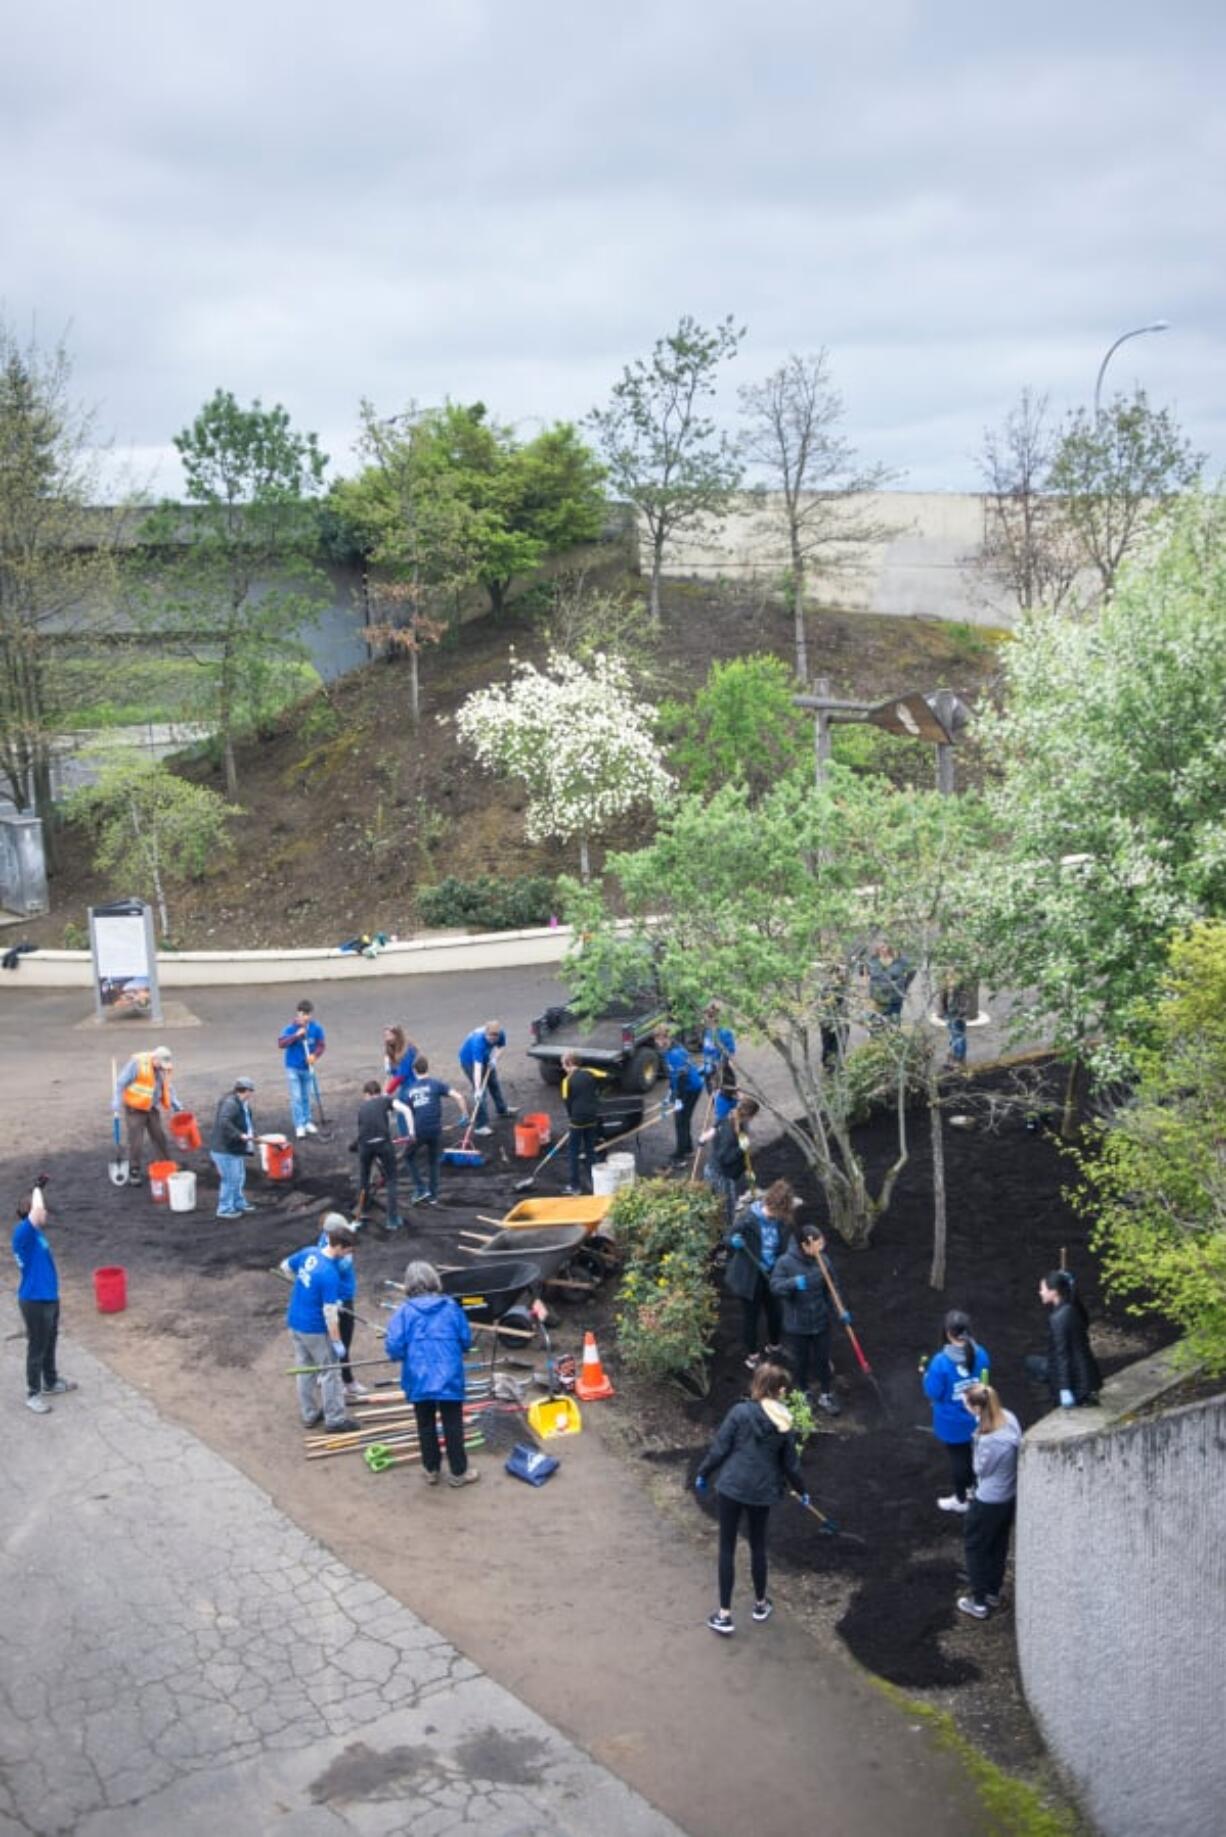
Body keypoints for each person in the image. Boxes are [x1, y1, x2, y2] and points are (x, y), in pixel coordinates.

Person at [694, 1361, 809, 1635]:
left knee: (727, 1548)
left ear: (757, 1385)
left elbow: (720, 1449)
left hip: (731, 1487)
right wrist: (802, 1491)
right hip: (761, 1492)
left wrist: (703, 1473)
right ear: (779, 1390)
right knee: (758, 1546)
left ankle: (724, 1615)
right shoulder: (784, 1422)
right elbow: (790, 1465)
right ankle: (760, 1605)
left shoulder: (739, 1412)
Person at [384, 1260, 478, 1487]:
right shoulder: (451, 1307)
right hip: (449, 1375)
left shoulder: (404, 1312)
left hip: (418, 1376)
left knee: (424, 1424)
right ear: (434, 1280)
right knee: (453, 1424)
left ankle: (431, 1469)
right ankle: (458, 1472)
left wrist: (404, 1352)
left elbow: (394, 1348)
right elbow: (466, 1340)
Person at [279, 1224, 361, 1433]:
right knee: (331, 1371)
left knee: (305, 1369)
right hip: (315, 1328)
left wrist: (306, 1288)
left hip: (295, 1321)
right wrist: (336, 1341)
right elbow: (330, 1315)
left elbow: (286, 1266)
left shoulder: (309, 1252)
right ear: (340, 1247)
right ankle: (335, 1419)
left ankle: (309, 1414)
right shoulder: (329, 1273)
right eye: (349, 1250)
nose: (349, 1255)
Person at [957, 1382, 1021, 1619]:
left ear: (976, 1407)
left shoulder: (988, 1440)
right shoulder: (1009, 1419)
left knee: (975, 1548)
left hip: (987, 1501)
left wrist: (976, 1441)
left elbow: (980, 1470)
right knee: (998, 1545)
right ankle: (993, 1591)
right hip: (1007, 1498)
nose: (965, 1408)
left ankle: (979, 1601)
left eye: (966, 1404)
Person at [12, 1181, 76, 1415]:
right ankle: (33, 1393)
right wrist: (37, 1189)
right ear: (31, 1212)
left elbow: (37, 1212)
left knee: (50, 1341)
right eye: (42, 1208)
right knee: (37, 1347)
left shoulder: (35, 1233)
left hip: (48, 1297)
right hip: (35, 1301)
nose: (46, 1212)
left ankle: (50, 1382)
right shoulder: (24, 1233)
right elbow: (38, 1211)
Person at [770, 1219, 844, 1414]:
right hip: (797, 1324)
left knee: (823, 1359)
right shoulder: (785, 1262)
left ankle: (826, 1395)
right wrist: (793, 1283)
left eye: (822, 1244)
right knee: (800, 1361)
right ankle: (803, 1392)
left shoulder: (824, 1260)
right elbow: (775, 1287)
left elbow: (832, 1288)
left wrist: (840, 1310)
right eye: (817, 1245)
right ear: (804, 1245)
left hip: (821, 1321)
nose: (821, 1248)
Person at [922, 1309, 992, 1513]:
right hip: (978, 1417)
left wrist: (926, 1376)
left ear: (948, 1333)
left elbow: (933, 1392)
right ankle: (979, 1491)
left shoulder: (940, 1362)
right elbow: (985, 1382)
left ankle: (963, 1499)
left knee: (959, 1460)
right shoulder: (981, 1354)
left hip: (952, 1423)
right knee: (977, 1454)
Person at [724, 1178, 791, 1371]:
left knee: (775, 1313)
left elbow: (784, 1247)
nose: (774, 1216)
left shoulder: (782, 1221)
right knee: (751, 1317)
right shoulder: (747, 1218)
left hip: (771, 1274)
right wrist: (734, 1242)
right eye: (772, 1212)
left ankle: (774, 1346)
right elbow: (727, 1238)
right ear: (768, 1203)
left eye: (778, 1214)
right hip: (749, 1276)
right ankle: (752, 1356)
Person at [1026, 1270, 1102, 1409]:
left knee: (1030, 1363)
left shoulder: (1058, 1319)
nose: (1040, 1292)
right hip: (1087, 1376)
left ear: (1054, 1292)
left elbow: (1062, 1355)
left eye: (1043, 1289)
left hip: (1076, 1381)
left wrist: (1064, 1388)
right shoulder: (1072, 1308)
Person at [316, 1210, 367, 1403]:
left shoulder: (326, 1239)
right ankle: (347, 1382)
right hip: (341, 1301)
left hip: (336, 1299)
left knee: (331, 1342)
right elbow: (344, 1262)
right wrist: (350, 1244)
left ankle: (325, 1374)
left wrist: (350, 1230)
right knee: (342, 1344)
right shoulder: (339, 1256)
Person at [401, 1056, 467, 1205]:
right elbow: (459, 1096)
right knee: (433, 1162)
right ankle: (433, 1196)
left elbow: (408, 1114)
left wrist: (410, 1133)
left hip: (419, 1130)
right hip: (435, 1130)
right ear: (427, 1068)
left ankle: (420, 1188)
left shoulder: (409, 1091)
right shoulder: (436, 1084)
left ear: (414, 1071)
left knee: (408, 1157)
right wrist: (465, 1116)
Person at [352, 1080, 414, 1231]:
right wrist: (412, 1133)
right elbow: (406, 1110)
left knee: (364, 1178)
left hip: (365, 1145)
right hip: (383, 1144)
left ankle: (361, 1212)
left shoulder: (362, 1108)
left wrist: (354, 1147)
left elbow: (361, 1132)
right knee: (391, 1179)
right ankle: (392, 1220)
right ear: (378, 1093)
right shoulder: (386, 1100)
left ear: (367, 1094)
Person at [115, 1046, 180, 1186]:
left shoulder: (162, 1068)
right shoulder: (137, 1064)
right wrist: (116, 1100)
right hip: (135, 1109)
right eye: (160, 1064)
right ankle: (134, 1171)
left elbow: (167, 1086)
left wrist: (174, 1101)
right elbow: (121, 1082)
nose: (162, 1068)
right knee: (136, 1141)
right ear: (155, 1058)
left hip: (151, 1108)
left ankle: (166, 1166)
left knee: (159, 1137)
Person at [702, 1096, 760, 1228]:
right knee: (726, 1212)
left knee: (719, 1208)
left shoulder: (735, 1120)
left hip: (721, 1171)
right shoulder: (729, 1129)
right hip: (720, 1175)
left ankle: (719, 1232)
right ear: (749, 1115)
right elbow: (725, 1158)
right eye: (753, 1117)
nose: (752, 1120)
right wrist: (741, 1148)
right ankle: (725, 1239)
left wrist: (747, 1169)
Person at [209, 1076, 257, 1220]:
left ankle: (238, 1202)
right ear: (246, 1091)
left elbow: (245, 1121)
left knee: (238, 1177)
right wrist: (240, 1135)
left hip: (234, 1148)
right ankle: (224, 1209)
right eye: (251, 1091)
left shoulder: (241, 1103)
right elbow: (224, 1122)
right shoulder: (231, 1104)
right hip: (225, 1150)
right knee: (230, 1179)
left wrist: (250, 1133)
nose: (252, 1094)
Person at [458, 1020, 518, 1136]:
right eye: (490, 1039)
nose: (492, 1041)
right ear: (486, 1033)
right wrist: (478, 1088)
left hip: (485, 1058)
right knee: (481, 1094)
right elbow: (477, 1067)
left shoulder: (500, 1034)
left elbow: (501, 1047)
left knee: (494, 1084)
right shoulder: (478, 1042)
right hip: (469, 1061)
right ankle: (481, 1126)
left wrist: (495, 1058)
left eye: (494, 1039)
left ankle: (502, 1110)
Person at [560, 1051, 608, 1195]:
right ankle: (595, 1181)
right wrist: (598, 1092)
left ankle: (575, 1186)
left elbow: (567, 1103)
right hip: (592, 1117)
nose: (562, 1067)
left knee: (573, 1152)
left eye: (563, 1064)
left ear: (569, 1064)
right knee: (590, 1150)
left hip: (577, 1120)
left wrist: (572, 1120)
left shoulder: (566, 1081)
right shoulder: (590, 1072)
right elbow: (607, 1076)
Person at [278, 1000, 326, 1139]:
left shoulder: (316, 1028)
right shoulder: (290, 1029)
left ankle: (307, 1121)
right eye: (302, 1014)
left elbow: (321, 1045)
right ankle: (299, 1124)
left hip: (307, 1067)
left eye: (307, 1014)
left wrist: (314, 1055)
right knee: (296, 1097)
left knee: (306, 1096)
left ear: (310, 1015)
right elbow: (281, 1043)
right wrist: (296, 1035)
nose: (304, 1017)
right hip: (293, 1067)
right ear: (298, 1013)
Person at [656, 1027, 704, 1162]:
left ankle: (681, 1153)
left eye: (659, 1039)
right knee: (683, 1118)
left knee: (681, 1120)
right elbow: (673, 1075)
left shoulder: (675, 1053)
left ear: (665, 1039)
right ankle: (687, 1149)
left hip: (690, 1088)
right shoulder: (669, 1050)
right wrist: (671, 1092)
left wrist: (678, 1099)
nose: (658, 1043)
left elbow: (682, 1077)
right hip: (687, 1086)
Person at [701, 1004, 738, 1121]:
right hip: (709, 1071)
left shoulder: (724, 1032)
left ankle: (731, 1124)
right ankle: (720, 1124)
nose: (704, 1020)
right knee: (714, 1101)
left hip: (722, 1072)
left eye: (707, 1017)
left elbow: (730, 1052)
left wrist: (719, 1066)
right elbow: (706, 1051)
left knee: (725, 1100)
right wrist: (706, 1065)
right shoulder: (707, 1032)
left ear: (713, 1017)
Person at [865, 942, 914, 1027]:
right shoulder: (872, 960)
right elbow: (865, 973)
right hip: (877, 1000)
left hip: (894, 1000)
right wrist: (868, 988)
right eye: (880, 946)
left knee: (893, 1026)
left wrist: (904, 986)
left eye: (884, 946)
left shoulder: (900, 961)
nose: (882, 949)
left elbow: (912, 971)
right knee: (876, 1025)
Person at [938, 974, 978, 1067]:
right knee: (954, 1036)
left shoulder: (960, 989)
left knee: (958, 1036)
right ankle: (954, 1059)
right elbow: (945, 999)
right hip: (951, 1013)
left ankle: (959, 1059)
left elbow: (965, 1001)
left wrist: (960, 1013)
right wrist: (945, 1011)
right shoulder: (950, 987)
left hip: (957, 1014)